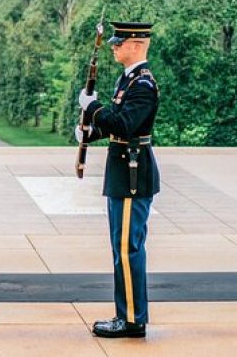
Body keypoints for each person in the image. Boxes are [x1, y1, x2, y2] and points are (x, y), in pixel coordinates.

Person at [76, 21, 160, 339]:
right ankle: (126, 315)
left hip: (132, 174)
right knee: (121, 247)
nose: (113, 46)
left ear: (136, 45)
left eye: (118, 43)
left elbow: (125, 125)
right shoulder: (128, 80)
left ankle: (131, 320)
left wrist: (93, 108)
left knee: (127, 249)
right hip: (124, 172)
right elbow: (115, 123)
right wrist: (91, 131)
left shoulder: (143, 85)